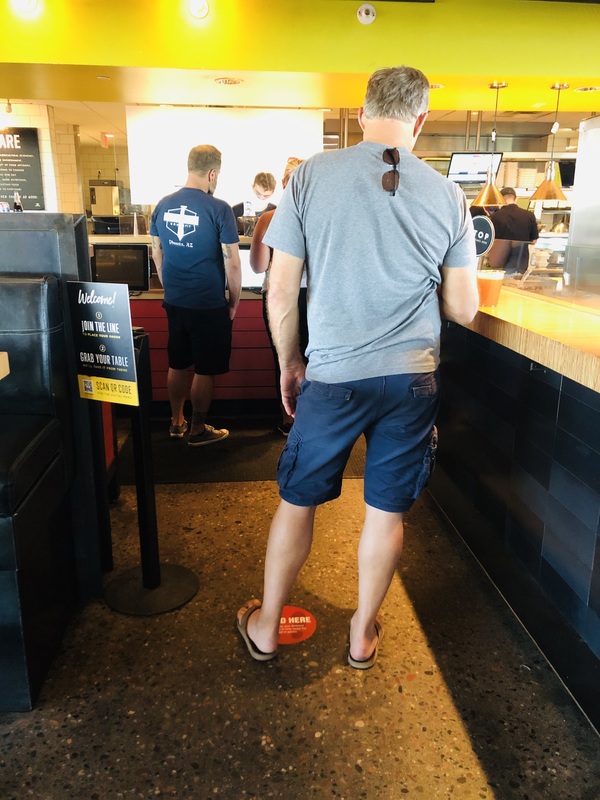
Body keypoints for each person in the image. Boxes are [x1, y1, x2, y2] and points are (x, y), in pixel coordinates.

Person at [236, 66, 479, 668]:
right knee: (386, 509)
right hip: (412, 379)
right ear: (420, 121)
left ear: (364, 112)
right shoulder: (447, 193)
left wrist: (290, 362)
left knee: (298, 500)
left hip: (334, 377)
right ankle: (361, 636)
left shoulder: (312, 177)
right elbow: (464, 308)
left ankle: (267, 627)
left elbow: (281, 287)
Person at [150, 144, 241, 446]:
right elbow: (233, 260)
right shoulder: (219, 209)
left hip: (175, 302)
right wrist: (234, 300)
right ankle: (198, 430)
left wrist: (170, 286)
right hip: (208, 303)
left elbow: (156, 253)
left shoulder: (162, 205)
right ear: (213, 172)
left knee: (177, 363)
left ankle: (176, 421)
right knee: (204, 368)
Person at [249, 157, 307, 436]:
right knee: (314, 359)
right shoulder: (320, 217)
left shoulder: (268, 219)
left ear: (283, 184)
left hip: (276, 298)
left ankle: (288, 420)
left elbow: (258, 266)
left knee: (283, 359)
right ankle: (314, 420)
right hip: (313, 297)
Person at [488, 187, 539, 273]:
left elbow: (489, 242)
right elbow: (534, 241)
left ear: (500, 199)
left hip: (499, 262)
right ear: (515, 199)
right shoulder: (529, 215)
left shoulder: (495, 216)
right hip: (521, 262)